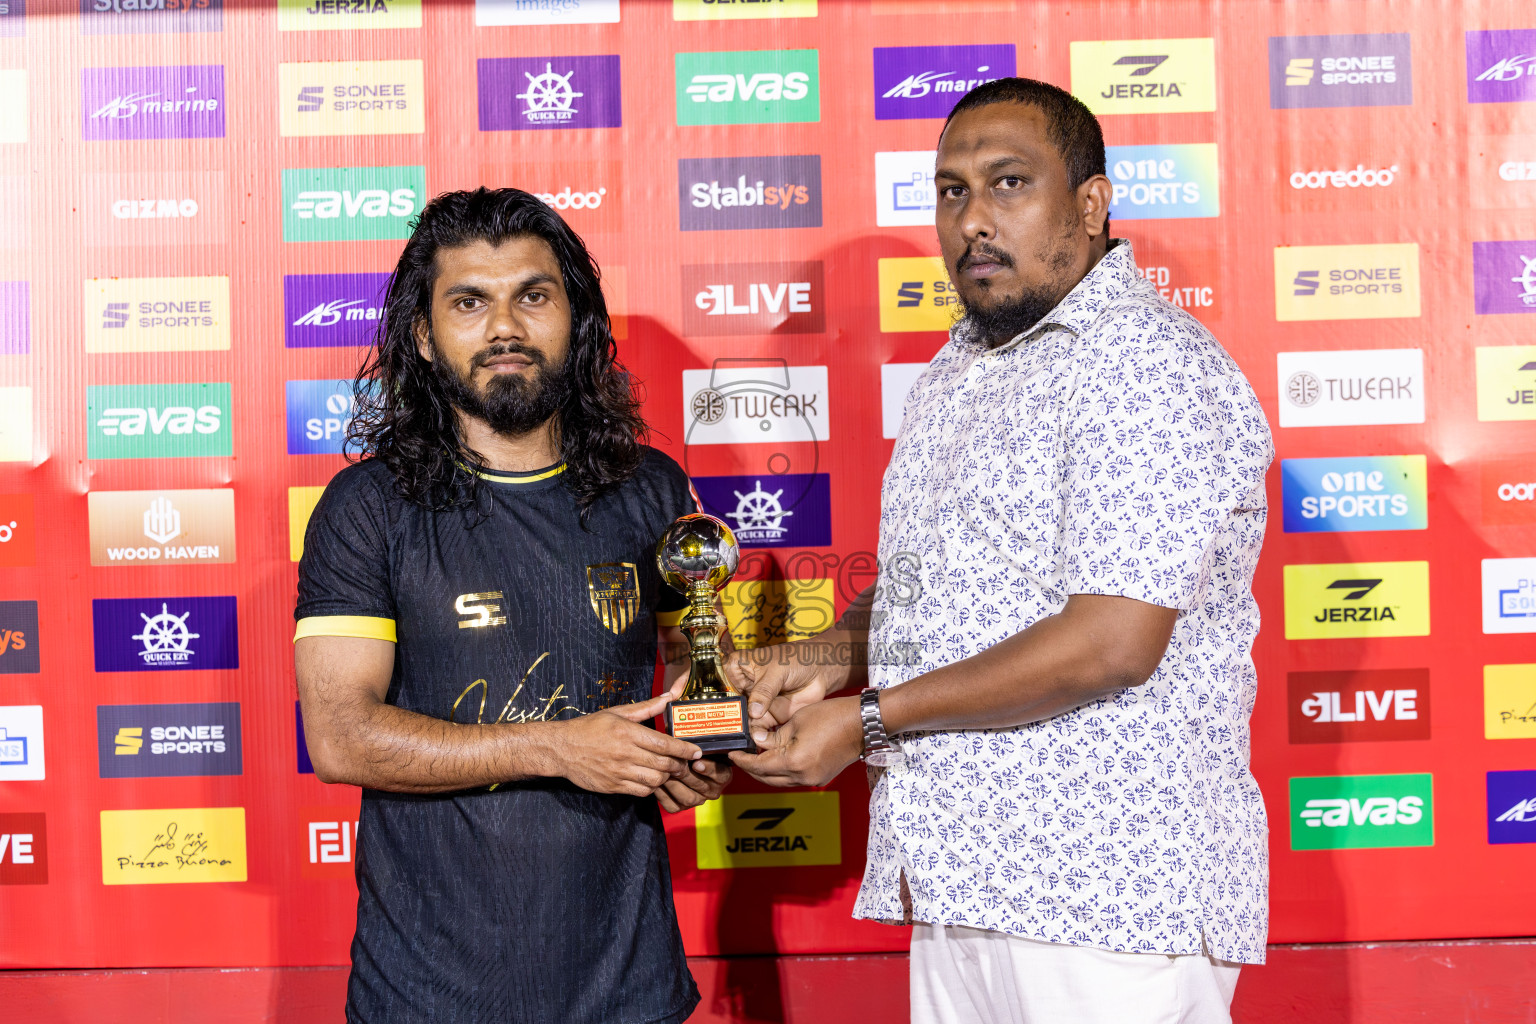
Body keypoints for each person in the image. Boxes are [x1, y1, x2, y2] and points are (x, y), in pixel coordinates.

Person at [729, 78, 1273, 1024]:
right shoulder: (966, 365)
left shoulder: (1145, 364)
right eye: (952, 192)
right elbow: (932, 596)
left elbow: (1113, 640)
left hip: (1107, 899)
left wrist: (866, 723)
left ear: (1093, 204)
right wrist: (810, 663)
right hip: (965, 876)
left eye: (1009, 183)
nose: (974, 220)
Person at [292, 187, 727, 1024]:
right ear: (422, 335)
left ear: (577, 316)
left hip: (627, 987)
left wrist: (698, 757)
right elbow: (341, 737)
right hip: (430, 997)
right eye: (468, 302)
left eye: (533, 295)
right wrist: (560, 749)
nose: (505, 328)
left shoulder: (654, 491)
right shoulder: (367, 507)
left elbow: (691, 682)